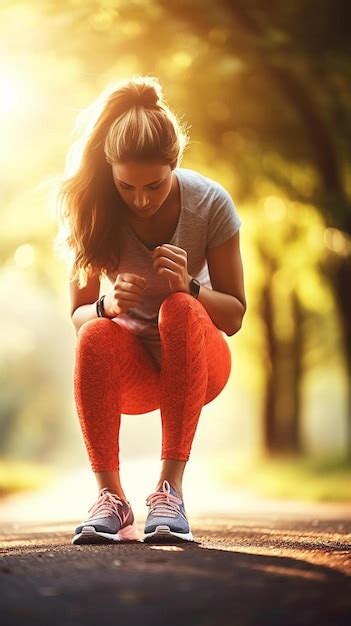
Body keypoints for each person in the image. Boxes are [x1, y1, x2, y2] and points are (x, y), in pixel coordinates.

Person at [55, 74, 246, 546]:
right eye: (127, 187)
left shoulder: (210, 204)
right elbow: (79, 314)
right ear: (110, 170)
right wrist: (106, 304)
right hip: (134, 372)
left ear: (174, 163)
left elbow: (236, 316)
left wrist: (192, 288)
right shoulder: (92, 207)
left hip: (201, 361)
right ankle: (111, 500)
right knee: (96, 332)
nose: (140, 200)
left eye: (154, 186)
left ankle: (169, 492)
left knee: (179, 307)